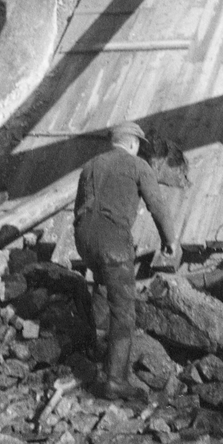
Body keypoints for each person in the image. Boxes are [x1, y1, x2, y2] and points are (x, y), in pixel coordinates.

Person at [74, 120, 177, 401]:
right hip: (113, 241)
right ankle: (116, 380)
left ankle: (99, 355)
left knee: (104, 288)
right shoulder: (137, 166)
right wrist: (170, 241)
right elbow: (157, 204)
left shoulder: (90, 166)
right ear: (133, 143)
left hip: (84, 240)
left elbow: (78, 208)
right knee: (123, 309)